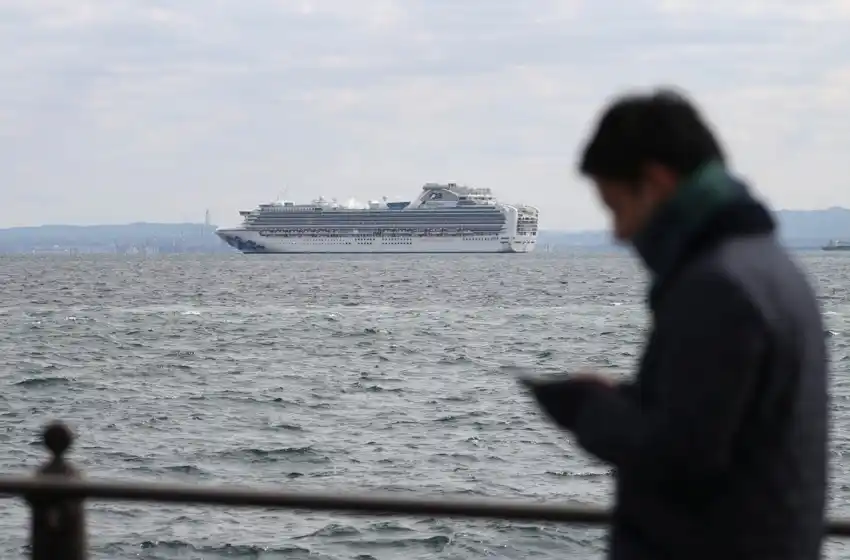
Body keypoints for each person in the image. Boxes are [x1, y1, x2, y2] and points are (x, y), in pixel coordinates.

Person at [524, 88, 828, 559]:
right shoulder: (775, 269)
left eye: (616, 206)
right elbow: (727, 426)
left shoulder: (718, 287)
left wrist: (591, 409)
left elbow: (681, 457)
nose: (618, 233)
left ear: (656, 182)